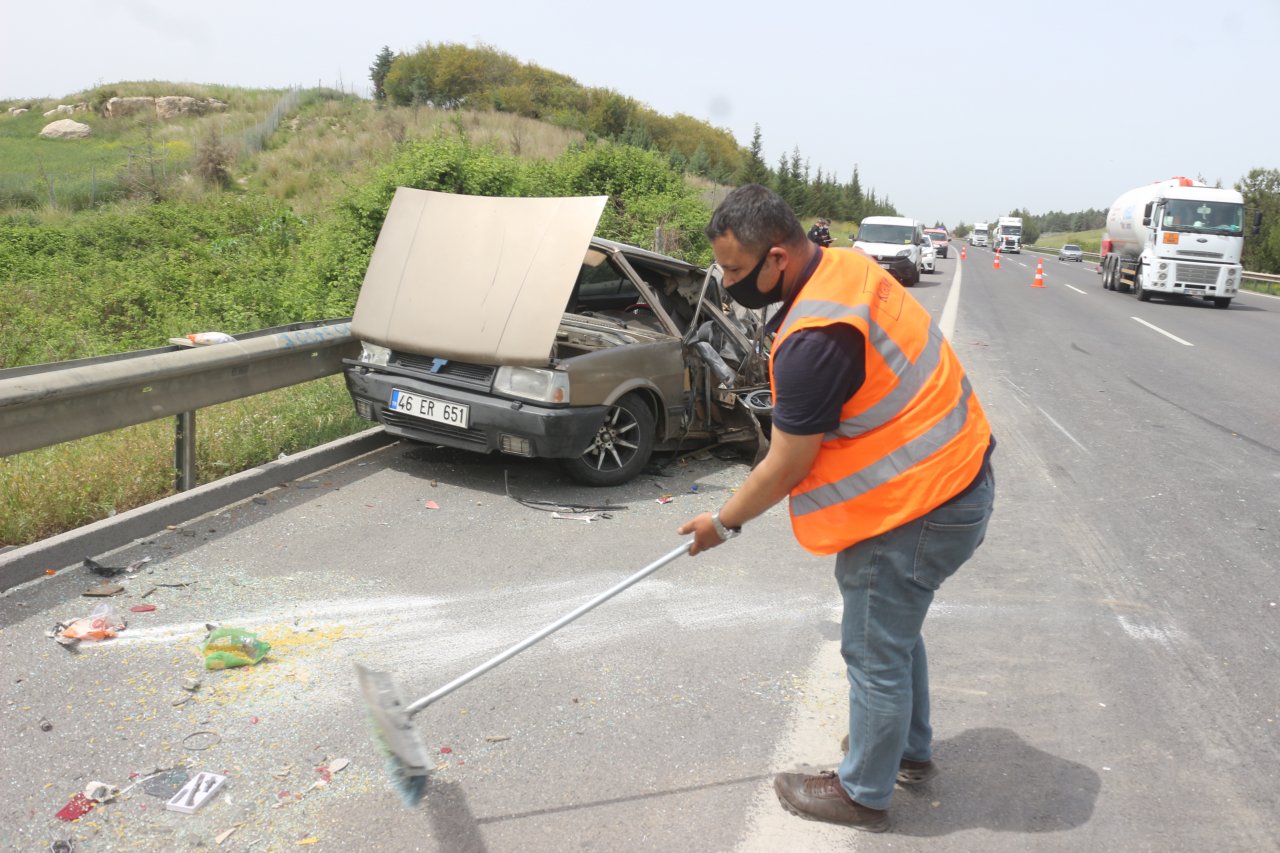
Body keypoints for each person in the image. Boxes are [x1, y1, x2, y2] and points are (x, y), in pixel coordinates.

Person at [678, 184, 996, 833]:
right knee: (893, 627)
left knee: (873, 645)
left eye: (736, 271)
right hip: (958, 475)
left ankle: (863, 791)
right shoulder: (844, 265)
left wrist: (722, 522)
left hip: (923, 501)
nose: (728, 283)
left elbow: (787, 463)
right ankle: (907, 750)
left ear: (777, 258)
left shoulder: (813, 339)